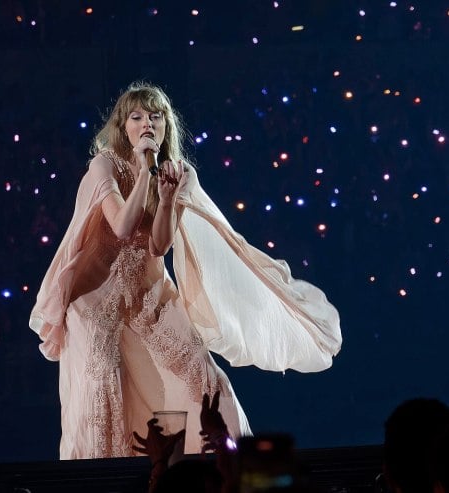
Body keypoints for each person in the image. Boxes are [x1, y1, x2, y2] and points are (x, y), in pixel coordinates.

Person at [28, 82, 342, 460]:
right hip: (96, 301)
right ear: (122, 127)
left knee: (208, 384)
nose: (147, 123)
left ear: (166, 126)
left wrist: (167, 196)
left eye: (156, 116)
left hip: (149, 296)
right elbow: (123, 226)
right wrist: (145, 171)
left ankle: (224, 472)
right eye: (137, 116)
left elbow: (158, 245)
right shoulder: (104, 165)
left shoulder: (179, 173)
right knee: (103, 397)